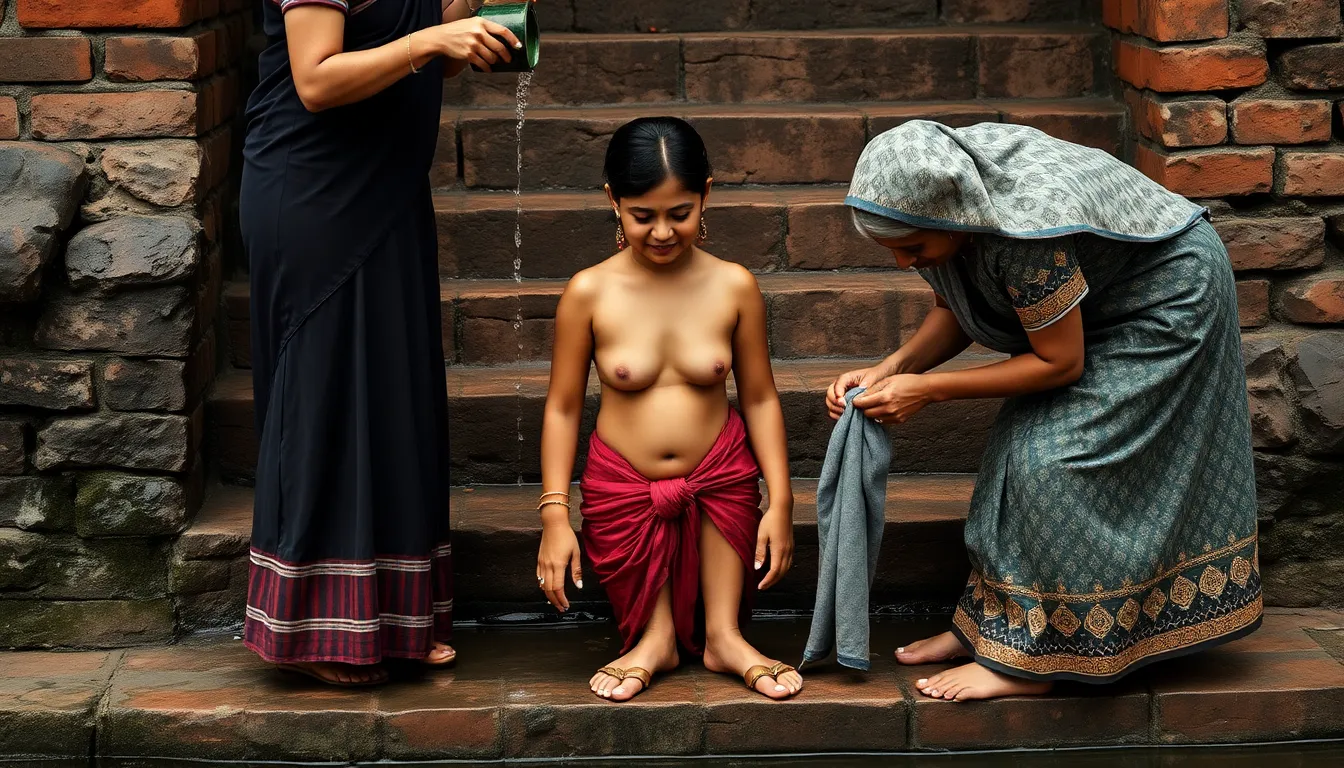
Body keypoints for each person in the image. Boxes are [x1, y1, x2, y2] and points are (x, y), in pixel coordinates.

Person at [827, 121, 1262, 701]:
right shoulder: (948, 213)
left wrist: (928, 391)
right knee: (1013, 458)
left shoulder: (1025, 231)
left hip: (1167, 297)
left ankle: (1038, 660)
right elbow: (959, 306)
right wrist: (893, 367)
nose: (906, 263)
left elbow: (1059, 365)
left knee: (1052, 464)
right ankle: (991, 628)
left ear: (954, 218)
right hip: (1093, 309)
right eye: (894, 251)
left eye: (913, 249)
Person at [239, 0, 528, 687]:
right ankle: (317, 629)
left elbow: (439, 57)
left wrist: (467, 23)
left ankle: (394, 618)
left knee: (391, 388)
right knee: (330, 389)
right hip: (312, 185)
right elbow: (316, 80)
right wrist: (433, 36)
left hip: (386, 186)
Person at [536, 117, 803, 702]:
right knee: (640, 553)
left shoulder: (734, 286)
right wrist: (555, 515)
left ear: (706, 193)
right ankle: (654, 639)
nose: (662, 232)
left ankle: (724, 636)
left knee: (724, 482)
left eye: (679, 213)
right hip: (623, 488)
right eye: (643, 215)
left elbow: (758, 395)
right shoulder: (589, 292)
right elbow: (561, 408)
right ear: (614, 201)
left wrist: (781, 500)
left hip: (721, 474)